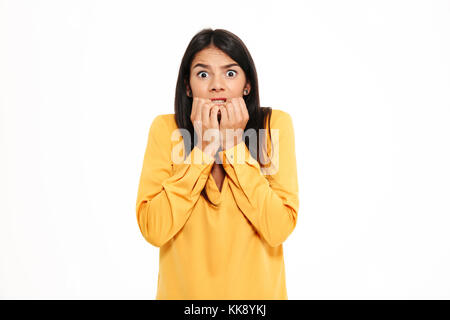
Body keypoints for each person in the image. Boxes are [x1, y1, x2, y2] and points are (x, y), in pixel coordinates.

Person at [135, 28, 299, 300]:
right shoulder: (165, 130)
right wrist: (203, 147)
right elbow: (154, 229)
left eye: (230, 73)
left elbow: (278, 228)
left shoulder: (274, 127)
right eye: (203, 74)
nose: (217, 85)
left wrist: (234, 147)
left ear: (247, 85)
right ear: (188, 85)